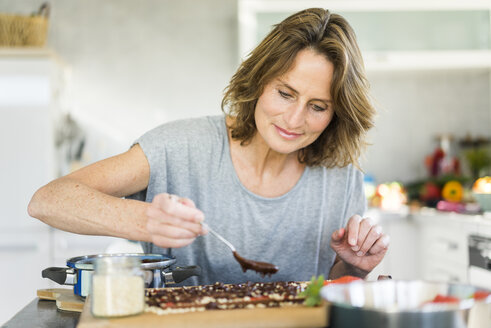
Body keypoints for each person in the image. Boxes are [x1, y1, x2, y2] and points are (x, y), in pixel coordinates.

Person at [28, 8, 389, 285]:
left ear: (336, 113)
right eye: (285, 93)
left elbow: (339, 283)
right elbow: (48, 200)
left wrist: (354, 267)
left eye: (317, 106)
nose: (294, 120)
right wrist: (143, 221)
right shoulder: (179, 147)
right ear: (259, 82)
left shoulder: (341, 175)